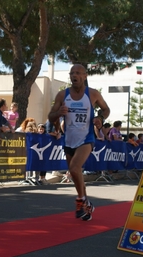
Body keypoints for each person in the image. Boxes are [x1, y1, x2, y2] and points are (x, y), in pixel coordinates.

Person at [48, 63, 110, 221]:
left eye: (78, 73)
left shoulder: (93, 94)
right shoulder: (62, 95)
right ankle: (87, 205)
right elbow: (50, 116)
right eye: (72, 73)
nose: (74, 75)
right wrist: (58, 113)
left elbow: (106, 109)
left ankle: (80, 201)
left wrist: (100, 119)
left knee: (75, 168)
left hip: (86, 139)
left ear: (85, 76)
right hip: (69, 139)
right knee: (76, 175)